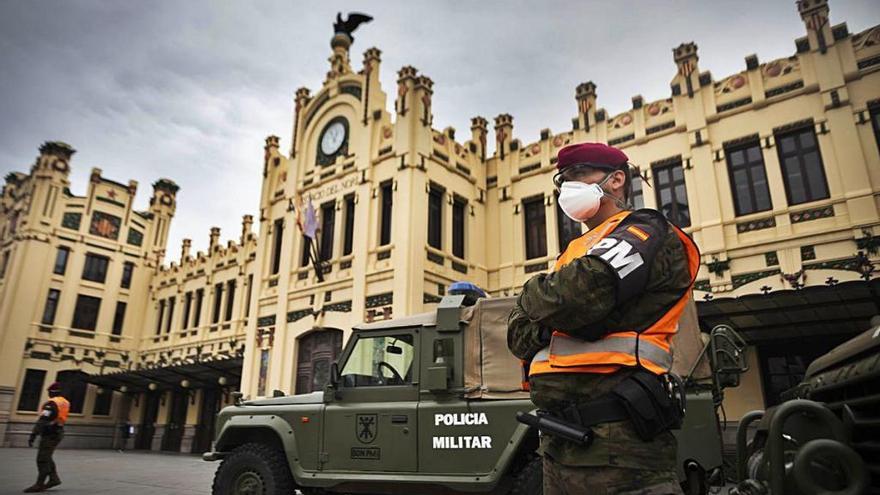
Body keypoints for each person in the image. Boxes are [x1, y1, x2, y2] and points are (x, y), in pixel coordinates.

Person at [507, 142, 700, 495]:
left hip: (618, 445)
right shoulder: (576, 250)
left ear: (616, 180)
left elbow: (574, 296)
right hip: (558, 445)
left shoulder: (646, 230)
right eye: (563, 180)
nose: (568, 187)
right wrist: (555, 306)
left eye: (579, 175)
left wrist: (542, 302)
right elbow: (518, 333)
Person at [24, 381, 69, 493]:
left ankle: (39, 484)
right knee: (47, 456)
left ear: (51, 392)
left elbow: (42, 420)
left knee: (42, 459)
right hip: (58, 432)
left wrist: (33, 435)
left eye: (49, 392)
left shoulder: (51, 404)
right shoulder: (64, 402)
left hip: (49, 434)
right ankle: (54, 479)